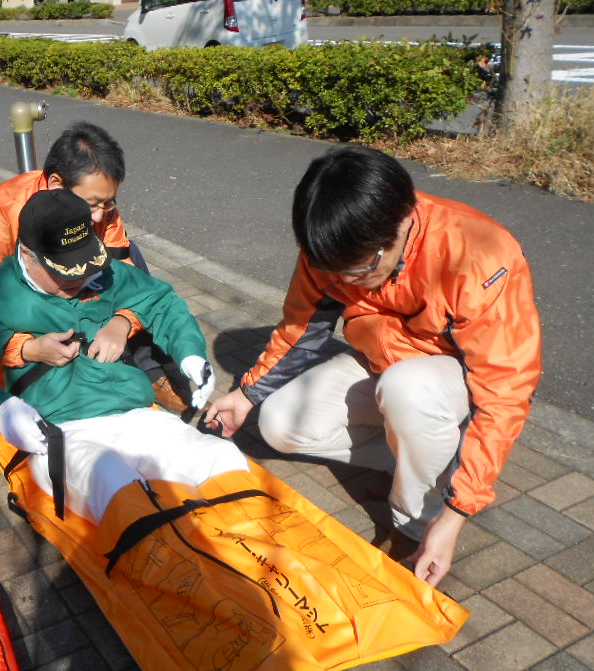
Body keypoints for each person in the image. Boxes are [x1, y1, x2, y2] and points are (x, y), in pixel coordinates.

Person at [206, 145, 542, 588]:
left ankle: (414, 524)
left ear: (401, 222)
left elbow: (506, 389)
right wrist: (247, 394)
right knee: (279, 425)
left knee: (409, 390)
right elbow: (300, 327)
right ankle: (420, 457)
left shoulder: (478, 253)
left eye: (361, 270)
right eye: (334, 271)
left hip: (445, 383)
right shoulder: (334, 248)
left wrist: (456, 514)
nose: (345, 282)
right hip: (382, 363)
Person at [0, 189, 248, 522]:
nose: (81, 277)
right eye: (65, 272)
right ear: (27, 255)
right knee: (115, 483)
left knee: (219, 457)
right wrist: (1, 409)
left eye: (83, 265)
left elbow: (161, 301)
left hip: (137, 414)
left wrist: (190, 355)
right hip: (60, 430)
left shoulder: (100, 271)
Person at [0, 121, 187, 409]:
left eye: (108, 203)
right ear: (57, 184)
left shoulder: (101, 208)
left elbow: (130, 277)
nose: (99, 217)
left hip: (71, 284)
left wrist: (122, 322)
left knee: (130, 258)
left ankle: (150, 368)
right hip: (15, 304)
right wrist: (27, 348)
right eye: (93, 204)